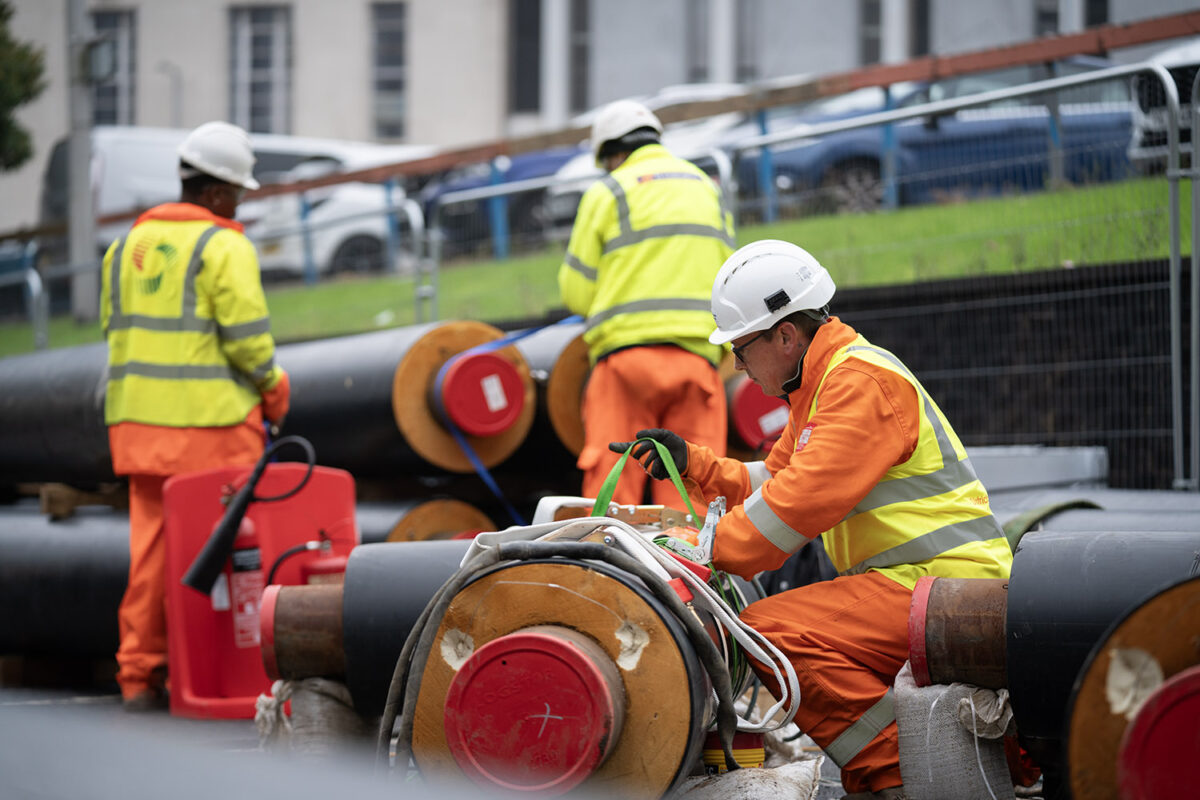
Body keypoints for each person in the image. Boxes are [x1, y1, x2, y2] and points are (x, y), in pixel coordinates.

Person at [612, 239, 1013, 798]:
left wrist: (692, 551)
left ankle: (898, 776)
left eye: (742, 348)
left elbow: (781, 518)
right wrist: (694, 464)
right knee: (784, 630)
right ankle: (925, 760)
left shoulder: (858, 386)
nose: (737, 365)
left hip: (944, 588)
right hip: (921, 585)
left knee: (774, 633)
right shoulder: (824, 386)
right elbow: (773, 486)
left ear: (785, 335)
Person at [100, 121, 290, 711]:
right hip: (213, 434)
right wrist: (275, 388)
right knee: (236, 558)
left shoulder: (124, 246)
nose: (238, 205)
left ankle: (139, 677)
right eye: (237, 193)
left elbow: (114, 328)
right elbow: (249, 344)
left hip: (138, 431)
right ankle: (222, 678)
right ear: (214, 192)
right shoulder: (224, 246)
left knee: (152, 558)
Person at [558, 99, 736, 508]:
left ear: (610, 154)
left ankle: (610, 571)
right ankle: (688, 571)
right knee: (691, 489)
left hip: (625, 365)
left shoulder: (609, 190)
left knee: (614, 489)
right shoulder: (706, 187)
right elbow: (729, 274)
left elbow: (576, 294)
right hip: (699, 361)